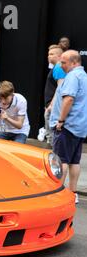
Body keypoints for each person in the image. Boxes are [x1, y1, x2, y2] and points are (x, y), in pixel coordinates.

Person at [50, 50, 87, 205]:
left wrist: (61, 120)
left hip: (68, 126)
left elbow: (69, 99)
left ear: (74, 62)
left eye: (64, 62)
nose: (61, 65)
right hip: (79, 125)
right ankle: (72, 193)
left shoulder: (73, 76)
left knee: (61, 160)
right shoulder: (84, 76)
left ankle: (57, 193)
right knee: (74, 161)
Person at [43, 45, 66, 145]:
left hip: (54, 107)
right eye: (48, 54)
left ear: (60, 56)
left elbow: (60, 87)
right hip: (52, 105)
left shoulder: (58, 67)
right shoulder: (56, 67)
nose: (49, 56)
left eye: (52, 54)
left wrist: (52, 105)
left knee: (53, 137)